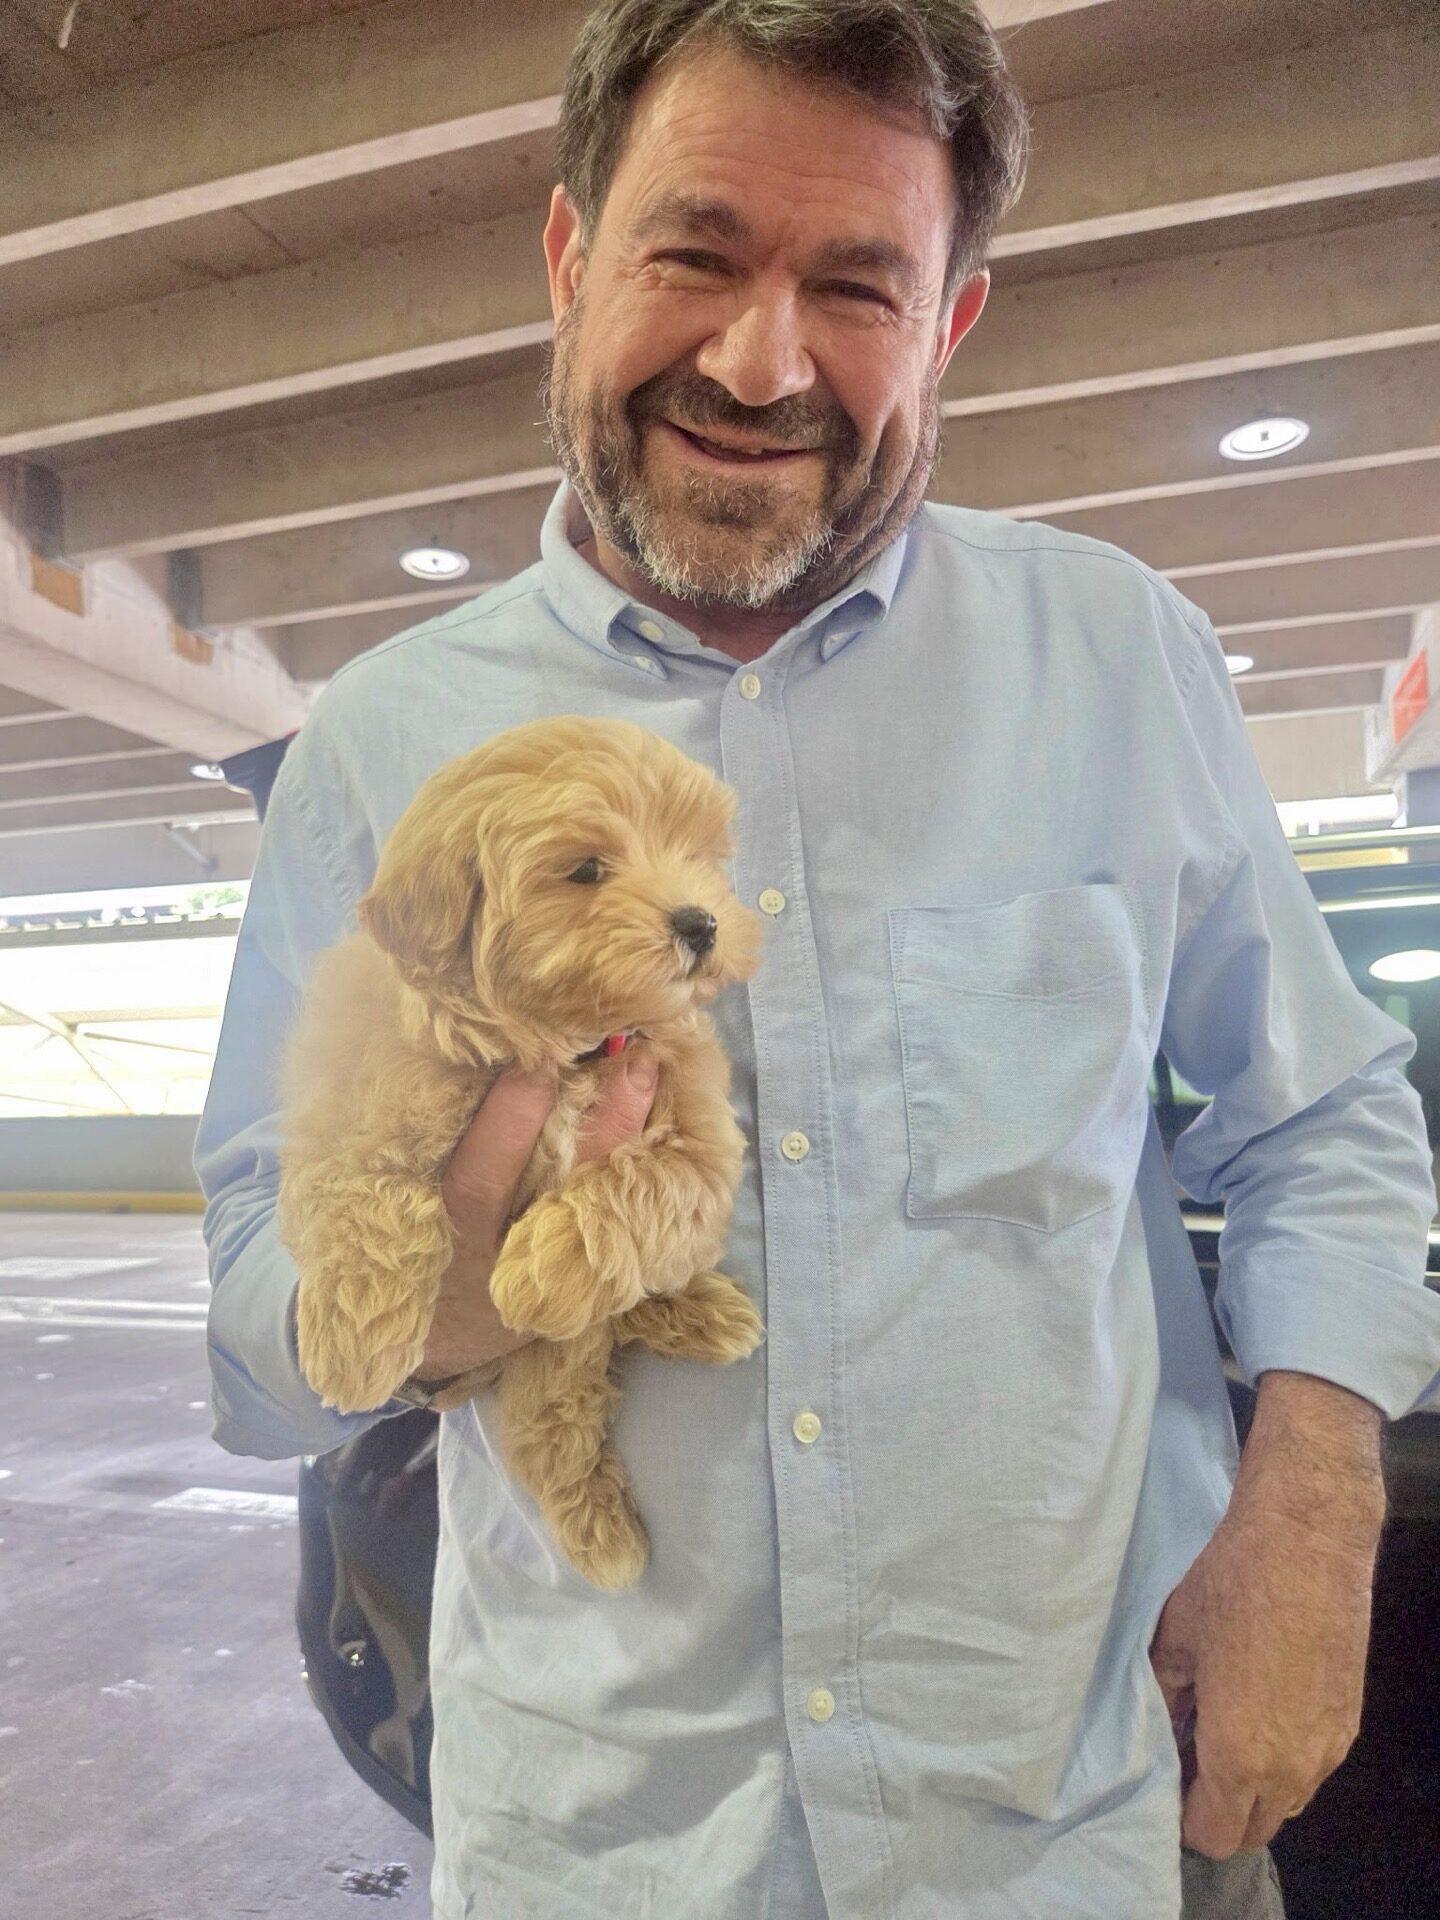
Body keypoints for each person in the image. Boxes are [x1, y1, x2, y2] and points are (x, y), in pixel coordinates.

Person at [195, 3, 1440, 1916]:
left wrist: (1318, 1510)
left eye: (856, 286)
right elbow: (256, 1334)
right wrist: (446, 1284)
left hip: (1076, 1817)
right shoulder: (381, 747)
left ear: (947, 327)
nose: (760, 360)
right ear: (567, 258)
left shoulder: (1113, 658)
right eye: (692, 254)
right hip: (606, 1854)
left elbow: (1323, 1118)